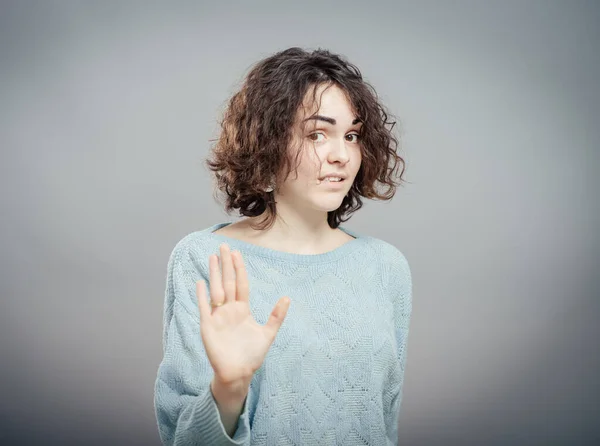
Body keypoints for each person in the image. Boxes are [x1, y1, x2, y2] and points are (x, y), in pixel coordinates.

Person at [154, 47, 413, 446]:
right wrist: (230, 385)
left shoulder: (384, 266)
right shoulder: (207, 259)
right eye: (316, 134)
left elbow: (385, 419)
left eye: (352, 135)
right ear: (268, 142)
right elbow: (183, 438)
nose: (341, 155)